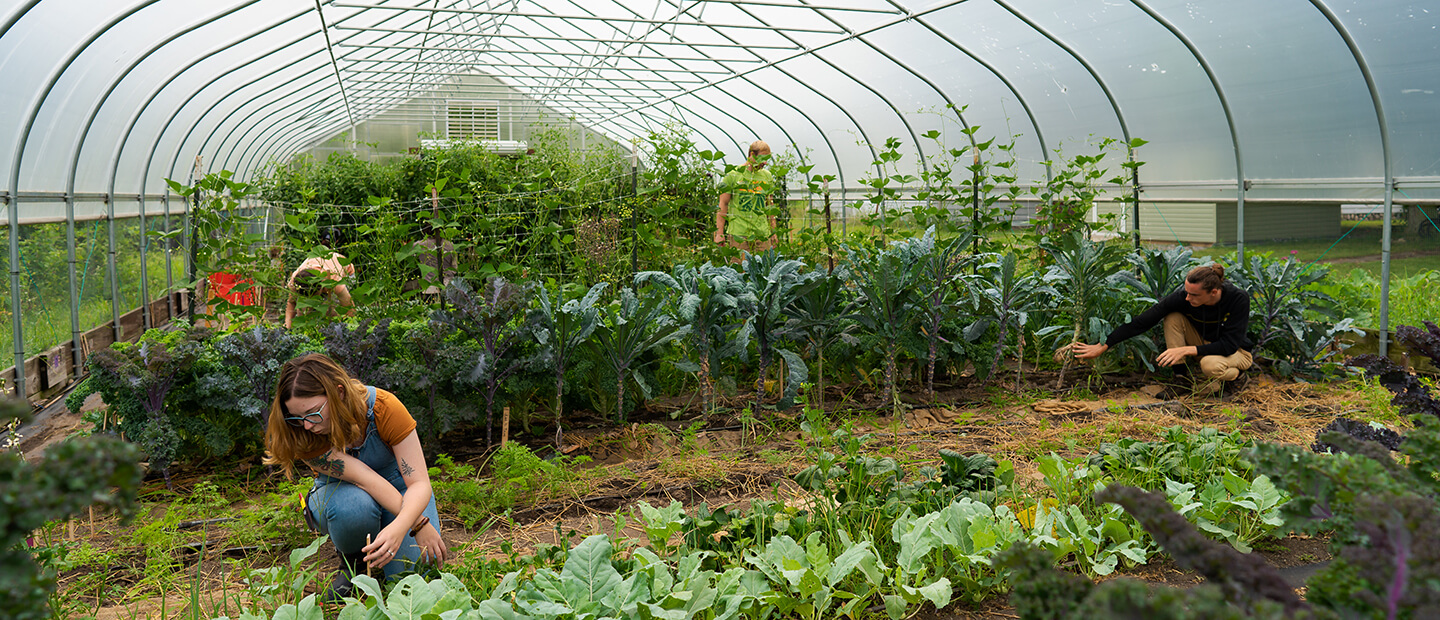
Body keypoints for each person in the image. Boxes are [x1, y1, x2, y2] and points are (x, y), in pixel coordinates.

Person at [263, 353, 447, 602]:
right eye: (297, 418)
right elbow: (366, 480)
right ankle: (353, 564)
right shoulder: (301, 433)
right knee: (353, 507)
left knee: (412, 584)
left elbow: (419, 483)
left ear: (338, 392)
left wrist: (408, 524)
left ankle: (384, 543)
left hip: (399, 488)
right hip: (342, 491)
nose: (307, 425)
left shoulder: (385, 408)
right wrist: (416, 523)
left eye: (313, 413)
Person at [1069, 264, 1253, 394]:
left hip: (1236, 352)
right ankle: (1182, 381)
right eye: (1186, 292)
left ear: (1213, 292)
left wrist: (1185, 349)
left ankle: (1236, 379)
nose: (1187, 298)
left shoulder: (1237, 299)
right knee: (1173, 316)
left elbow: (1228, 345)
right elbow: (1144, 321)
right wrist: (1104, 345)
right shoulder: (1185, 297)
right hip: (1204, 345)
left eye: (1194, 294)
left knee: (1209, 365)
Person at [714, 140, 778, 254]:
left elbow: (770, 205)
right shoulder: (733, 175)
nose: (765, 163)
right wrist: (719, 233)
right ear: (752, 155)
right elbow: (723, 204)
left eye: (767, 159)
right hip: (739, 234)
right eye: (763, 158)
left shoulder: (767, 176)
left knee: (765, 269)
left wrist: (773, 232)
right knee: (739, 269)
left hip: (762, 234)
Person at [285, 251, 355, 328]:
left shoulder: (334, 280)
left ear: (321, 288)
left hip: (346, 272)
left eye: (313, 295)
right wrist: (287, 327)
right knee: (303, 309)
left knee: (331, 309)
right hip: (319, 267)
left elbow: (349, 306)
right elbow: (291, 303)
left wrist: (350, 327)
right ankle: (310, 330)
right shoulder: (294, 281)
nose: (310, 298)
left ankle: (332, 329)